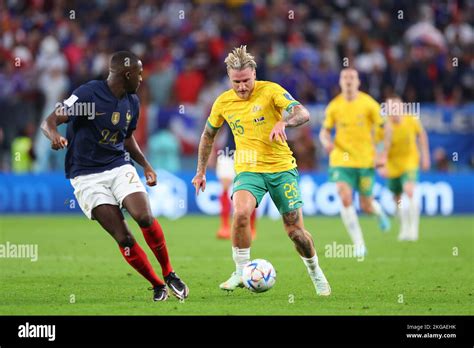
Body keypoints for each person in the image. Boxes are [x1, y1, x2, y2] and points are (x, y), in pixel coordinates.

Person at [40, 51, 188, 302]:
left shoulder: (132, 101)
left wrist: (146, 165)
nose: (142, 78)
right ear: (127, 74)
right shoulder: (88, 95)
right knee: (124, 237)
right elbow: (50, 120)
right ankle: (156, 284)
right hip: (86, 176)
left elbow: (127, 137)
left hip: (119, 165)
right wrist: (54, 135)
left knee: (144, 216)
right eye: (139, 74)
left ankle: (169, 273)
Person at [192, 46, 330, 296]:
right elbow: (208, 135)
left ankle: (314, 270)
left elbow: (303, 113)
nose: (242, 87)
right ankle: (240, 271)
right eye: (236, 82)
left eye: (245, 81)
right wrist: (200, 171)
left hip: (281, 168)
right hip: (248, 169)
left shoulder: (271, 91)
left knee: (296, 233)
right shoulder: (223, 101)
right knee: (241, 213)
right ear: (229, 78)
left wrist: (283, 121)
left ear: (254, 74)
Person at [319, 68, 391, 257]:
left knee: (366, 205)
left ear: (358, 82)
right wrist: (326, 142)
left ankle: (378, 211)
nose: (348, 80)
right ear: (340, 82)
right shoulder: (334, 106)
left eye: (352, 77)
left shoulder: (369, 104)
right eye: (345, 77)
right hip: (341, 160)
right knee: (345, 197)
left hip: (365, 160)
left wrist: (382, 154)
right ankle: (359, 243)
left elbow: (385, 129)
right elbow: (324, 131)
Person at [379, 96, 430, 241]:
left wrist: (425, 156)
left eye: (396, 108)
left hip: (410, 162)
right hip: (392, 165)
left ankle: (413, 229)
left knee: (409, 190)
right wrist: (381, 165)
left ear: (402, 108)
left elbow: (422, 136)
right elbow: (378, 146)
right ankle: (404, 227)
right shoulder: (384, 125)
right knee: (397, 199)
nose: (393, 111)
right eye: (390, 108)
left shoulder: (411, 120)